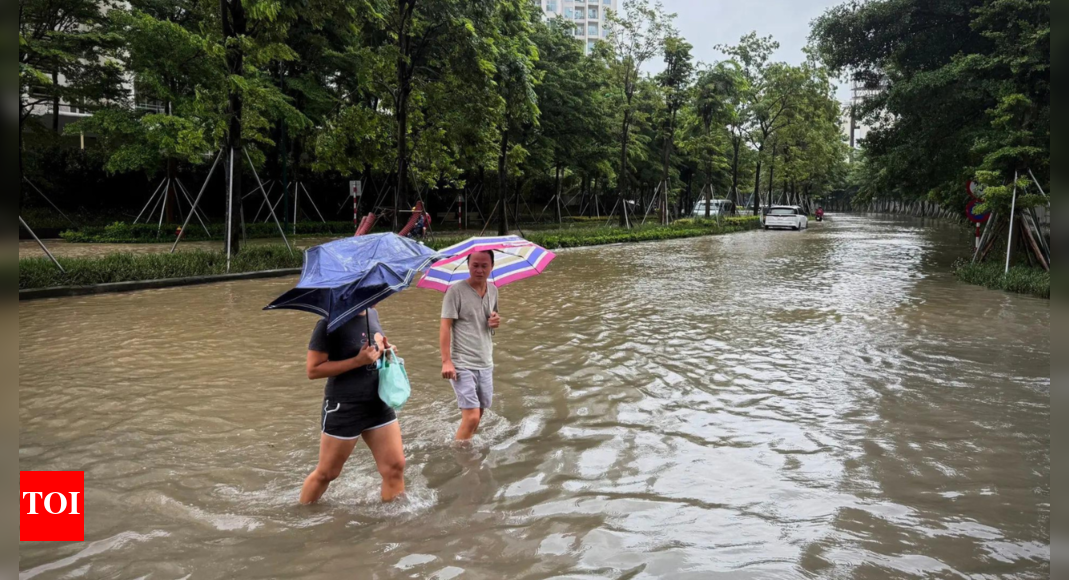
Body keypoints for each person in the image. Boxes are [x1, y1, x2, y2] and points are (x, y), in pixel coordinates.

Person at [300, 308, 406, 504]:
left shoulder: (372, 314)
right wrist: (357, 361)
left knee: (395, 467)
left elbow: (372, 354)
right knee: (327, 473)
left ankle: (395, 526)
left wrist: (386, 351)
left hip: (379, 402)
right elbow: (313, 370)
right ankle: (301, 516)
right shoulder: (328, 323)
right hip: (344, 406)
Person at [440, 251, 502, 441]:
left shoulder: (493, 290)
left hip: (485, 360)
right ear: (468, 265)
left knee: (478, 415)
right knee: (472, 417)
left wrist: (495, 321)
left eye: (484, 265)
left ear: (492, 266)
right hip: (462, 362)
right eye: (475, 265)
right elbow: (445, 326)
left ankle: (466, 446)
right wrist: (446, 361)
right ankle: (461, 459)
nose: (480, 270)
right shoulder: (455, 291)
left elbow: (493, 318)